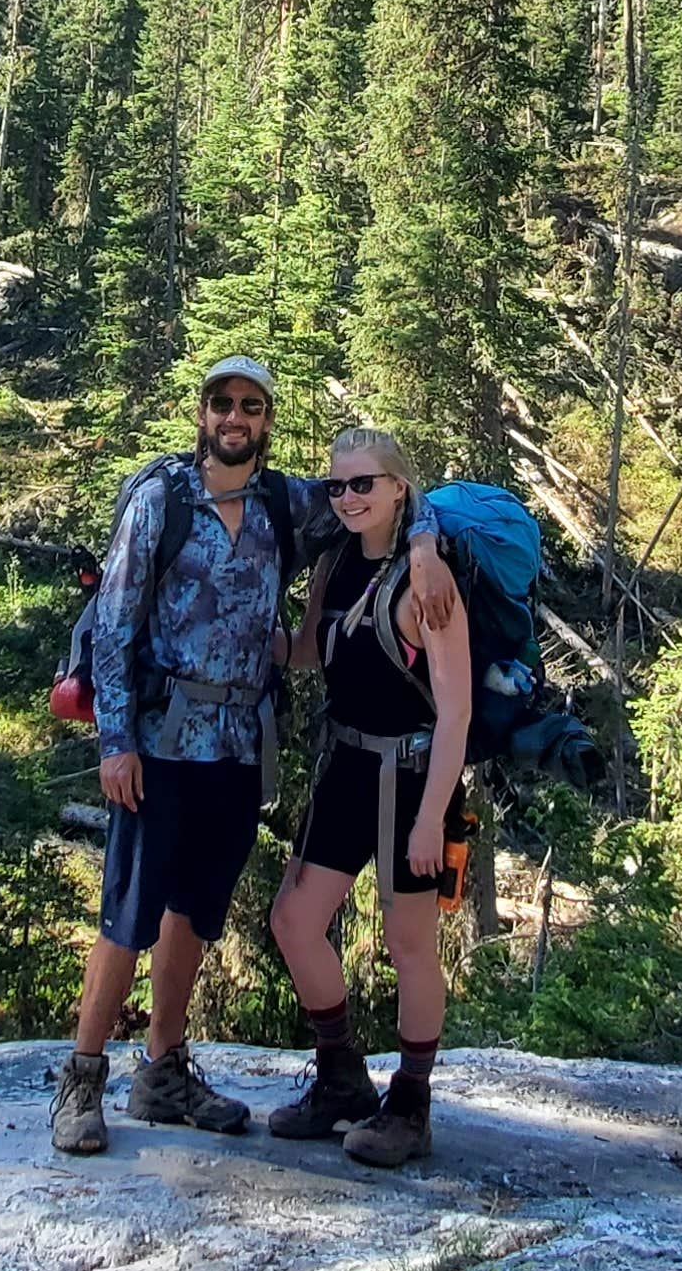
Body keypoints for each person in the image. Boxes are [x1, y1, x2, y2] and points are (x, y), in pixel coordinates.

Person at [48, 359, 452, 1157]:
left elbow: (389, 487)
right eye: (222, 404)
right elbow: (116, 627)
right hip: (159, 743)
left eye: (251, 407)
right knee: (126, 915)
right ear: (200, 414)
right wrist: (116, 743)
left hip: (237, 749)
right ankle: (82, 1080)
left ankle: (163, 1069)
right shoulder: (159, 503)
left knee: (195, 912)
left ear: (268, 421)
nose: (236, 417)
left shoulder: (285, 502)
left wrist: (427, 543)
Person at [261, 426, 470, 1172]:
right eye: (337, 486)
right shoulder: (337, 563)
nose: (347, 498)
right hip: (345, 767)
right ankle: (342, 1076)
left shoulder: (429, 581)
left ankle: (411, 1103)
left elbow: (455, 712)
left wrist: (428, 819)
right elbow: (314, 648)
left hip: (411, 776)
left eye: (363, 484)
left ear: (398, 491)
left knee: (409, 942)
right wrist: (243, 631)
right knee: (293, 919)